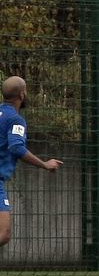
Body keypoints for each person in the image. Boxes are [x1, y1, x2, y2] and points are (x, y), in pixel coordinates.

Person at [0, 76, 63, 247]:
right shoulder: (15, 119)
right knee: (3, 234)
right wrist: (44, 164)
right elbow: (16, 148)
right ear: (21, 95)